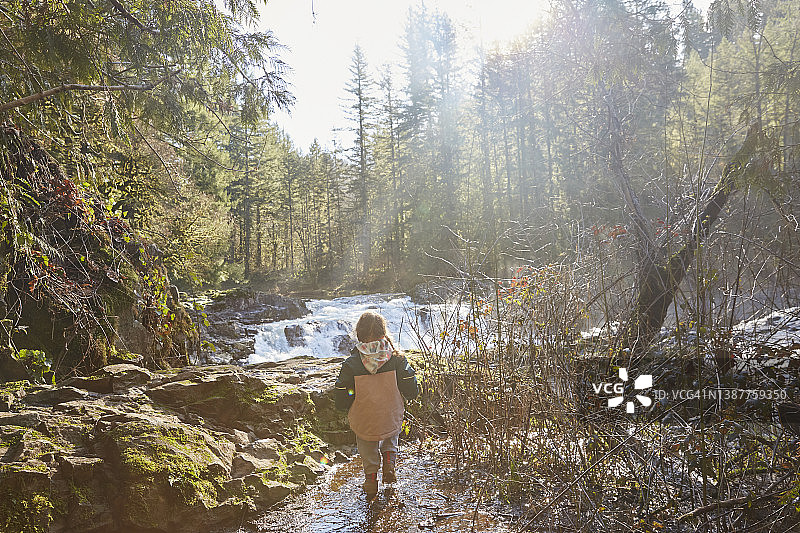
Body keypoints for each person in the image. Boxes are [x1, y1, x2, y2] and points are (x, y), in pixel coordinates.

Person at [334, 311, 419, 499]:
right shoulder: (397, 358)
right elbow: (409, 383)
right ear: (383, 332)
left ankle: (371, 481)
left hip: (364, 415)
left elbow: (342, 391)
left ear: (359, 333)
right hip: (389, 411)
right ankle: (389, 462)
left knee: (366, 444)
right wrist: (412, 394)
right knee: (390, 434)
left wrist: (344, 405)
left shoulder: (352, 363)